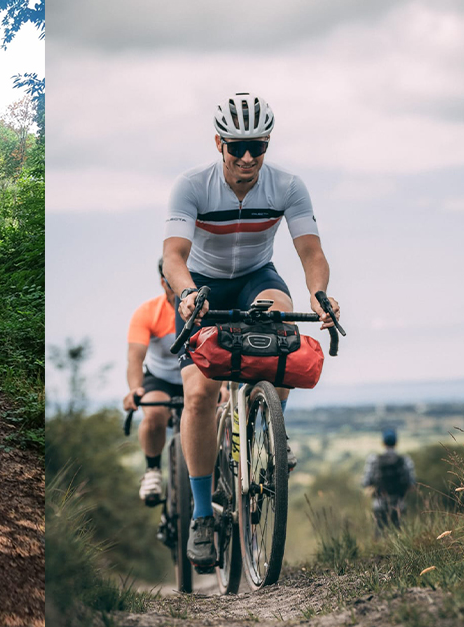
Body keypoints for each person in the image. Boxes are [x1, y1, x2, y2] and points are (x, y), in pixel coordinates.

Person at [162, 92, 341, 572]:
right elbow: (174, 256)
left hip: (257, 277)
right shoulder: (192, 186)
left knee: (282, 333)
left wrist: (319, 295)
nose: (246, 158)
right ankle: (202, 515)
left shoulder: (287, 186)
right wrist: (185, 295)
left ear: (267, 145)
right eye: (237, 147)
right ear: (219, 142)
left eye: (256, 147)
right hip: (203, 286)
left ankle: (267, 428)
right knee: (199, 392)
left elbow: (310, 254)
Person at [123, 258, 184, 507]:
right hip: (161, 379)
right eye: (174, 282)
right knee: (155, 412)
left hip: (200, 377)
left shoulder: (205, 310)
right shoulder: (148, 312)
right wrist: (135, 389)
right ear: (164, 282)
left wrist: (223, 387)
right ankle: (152, 471)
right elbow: (135, 358)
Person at [362, 429, 416, 536]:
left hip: (379, 503)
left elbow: (366, 482)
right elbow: (412, 482)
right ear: (396, 442)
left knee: (380, 533)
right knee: (399, 533)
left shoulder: (373, 460)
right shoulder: (405, 460)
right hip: (399, 503)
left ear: (383, 443)